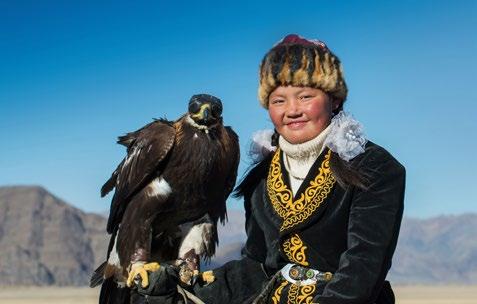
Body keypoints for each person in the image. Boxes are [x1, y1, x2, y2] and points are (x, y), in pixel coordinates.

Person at [134, 34, 406, 304]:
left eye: (305, 96)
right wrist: (184, 281)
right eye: (279, 100)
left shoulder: (373, 166)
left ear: (334, 99)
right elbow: (259, 266)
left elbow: (363, 269)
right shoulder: (262, 177)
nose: (292, 110)